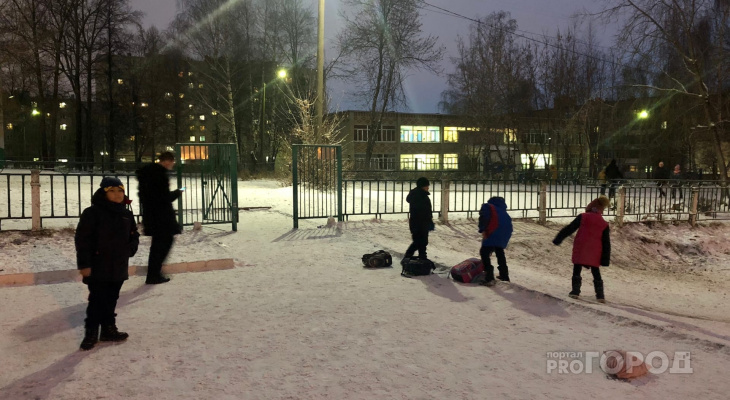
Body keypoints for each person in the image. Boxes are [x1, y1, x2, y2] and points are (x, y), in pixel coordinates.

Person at [75, 177, 140, 350]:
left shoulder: (126, 213)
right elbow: (83, 240)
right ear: (104, 193)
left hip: (118, 264)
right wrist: (85, 265)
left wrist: (130, 249)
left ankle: (108, 330)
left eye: (120, 191)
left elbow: (134, 234)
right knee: (97, 300)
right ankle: (90, 333)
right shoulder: (92, 213)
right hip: (98, 265)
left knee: (111, 299)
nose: (117, 194)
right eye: (112, 191)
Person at [552, 196, 611, 303]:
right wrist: (605, 259)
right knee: (595, 271)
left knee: (577, 268)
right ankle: (600, 295)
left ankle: (575, 291)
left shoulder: (583, 217)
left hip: (581, 247)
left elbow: (570, 228)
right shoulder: (603, 223)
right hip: (595, 250)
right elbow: (606, 243)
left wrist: (558, 238)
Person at [136, 151, 183, 284]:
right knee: (163, 244)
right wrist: (177, 193)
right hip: (161, 216)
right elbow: (163, 197)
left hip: (152, 215)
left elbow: (150, 196)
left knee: (158, 245)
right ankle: (153, 274)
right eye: (172, 162)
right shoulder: (159, 175)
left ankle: (153, 273)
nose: (173, 164)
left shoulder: (148, 174)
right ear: (167, 161)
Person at [477, 197, 513, 287]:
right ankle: (504, 275)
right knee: (499, 252)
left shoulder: (488, 206)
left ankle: (489, 277)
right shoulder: (503, 211)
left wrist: (482, 229)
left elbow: (484, 218)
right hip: (505, 233)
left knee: (484, 253)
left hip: (493, 231)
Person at [403, 177, 433, 262]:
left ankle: (422, 257)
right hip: (419, 223)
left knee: (422, 241)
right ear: (422, 186)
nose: (428, 187)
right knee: (418, 242)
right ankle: (408, 256)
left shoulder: (419, 194)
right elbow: (423, 211)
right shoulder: (420, 196)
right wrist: (427, 220)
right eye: (426, 185)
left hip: (419, 222)